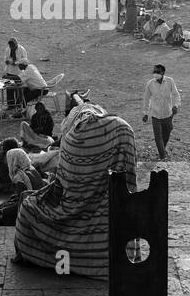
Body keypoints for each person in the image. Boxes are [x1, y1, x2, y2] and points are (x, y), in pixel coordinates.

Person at [12, 98, 137, 276]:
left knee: (27, 208)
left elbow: (61, 188)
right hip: (115, 216)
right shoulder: (122, 130)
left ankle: (55, 259)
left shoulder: (71, 140)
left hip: (75, 214)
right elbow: (129, 182)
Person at [142, 64, 181, 161]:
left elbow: (176, 95)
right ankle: (162, 155)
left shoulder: (170, 81)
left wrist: (176, 106)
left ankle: (162, 149)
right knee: (158, 136)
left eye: (157, 72)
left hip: (168, 114)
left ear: (163, 73)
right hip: (155, 115)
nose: (155, 74)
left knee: (167, 133)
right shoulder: (150, 84)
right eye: (154, 72)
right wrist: (146, 113)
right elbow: (146, 99)